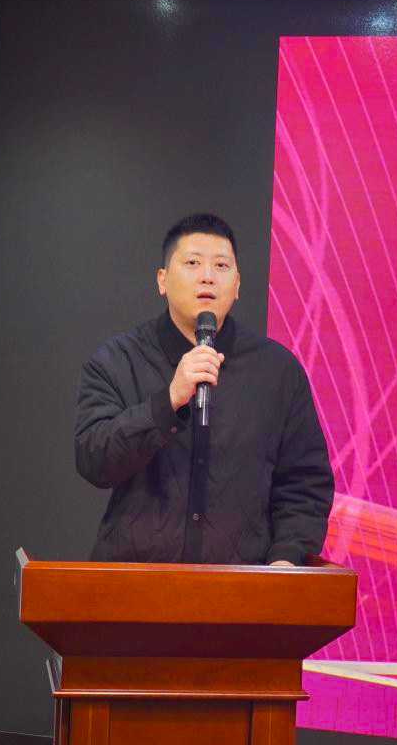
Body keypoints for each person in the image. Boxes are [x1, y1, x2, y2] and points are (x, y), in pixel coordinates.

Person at [74, 213, 333, 566]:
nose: (208, 276)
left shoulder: (278, 371)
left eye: (221, 265)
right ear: (162, 280)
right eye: (192, 263)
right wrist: (169, 401)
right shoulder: (118, 360)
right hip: (135, 583)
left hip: (240, 587)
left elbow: (305, 484)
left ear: (237, 285)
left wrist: (286, 560)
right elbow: (94, 459)